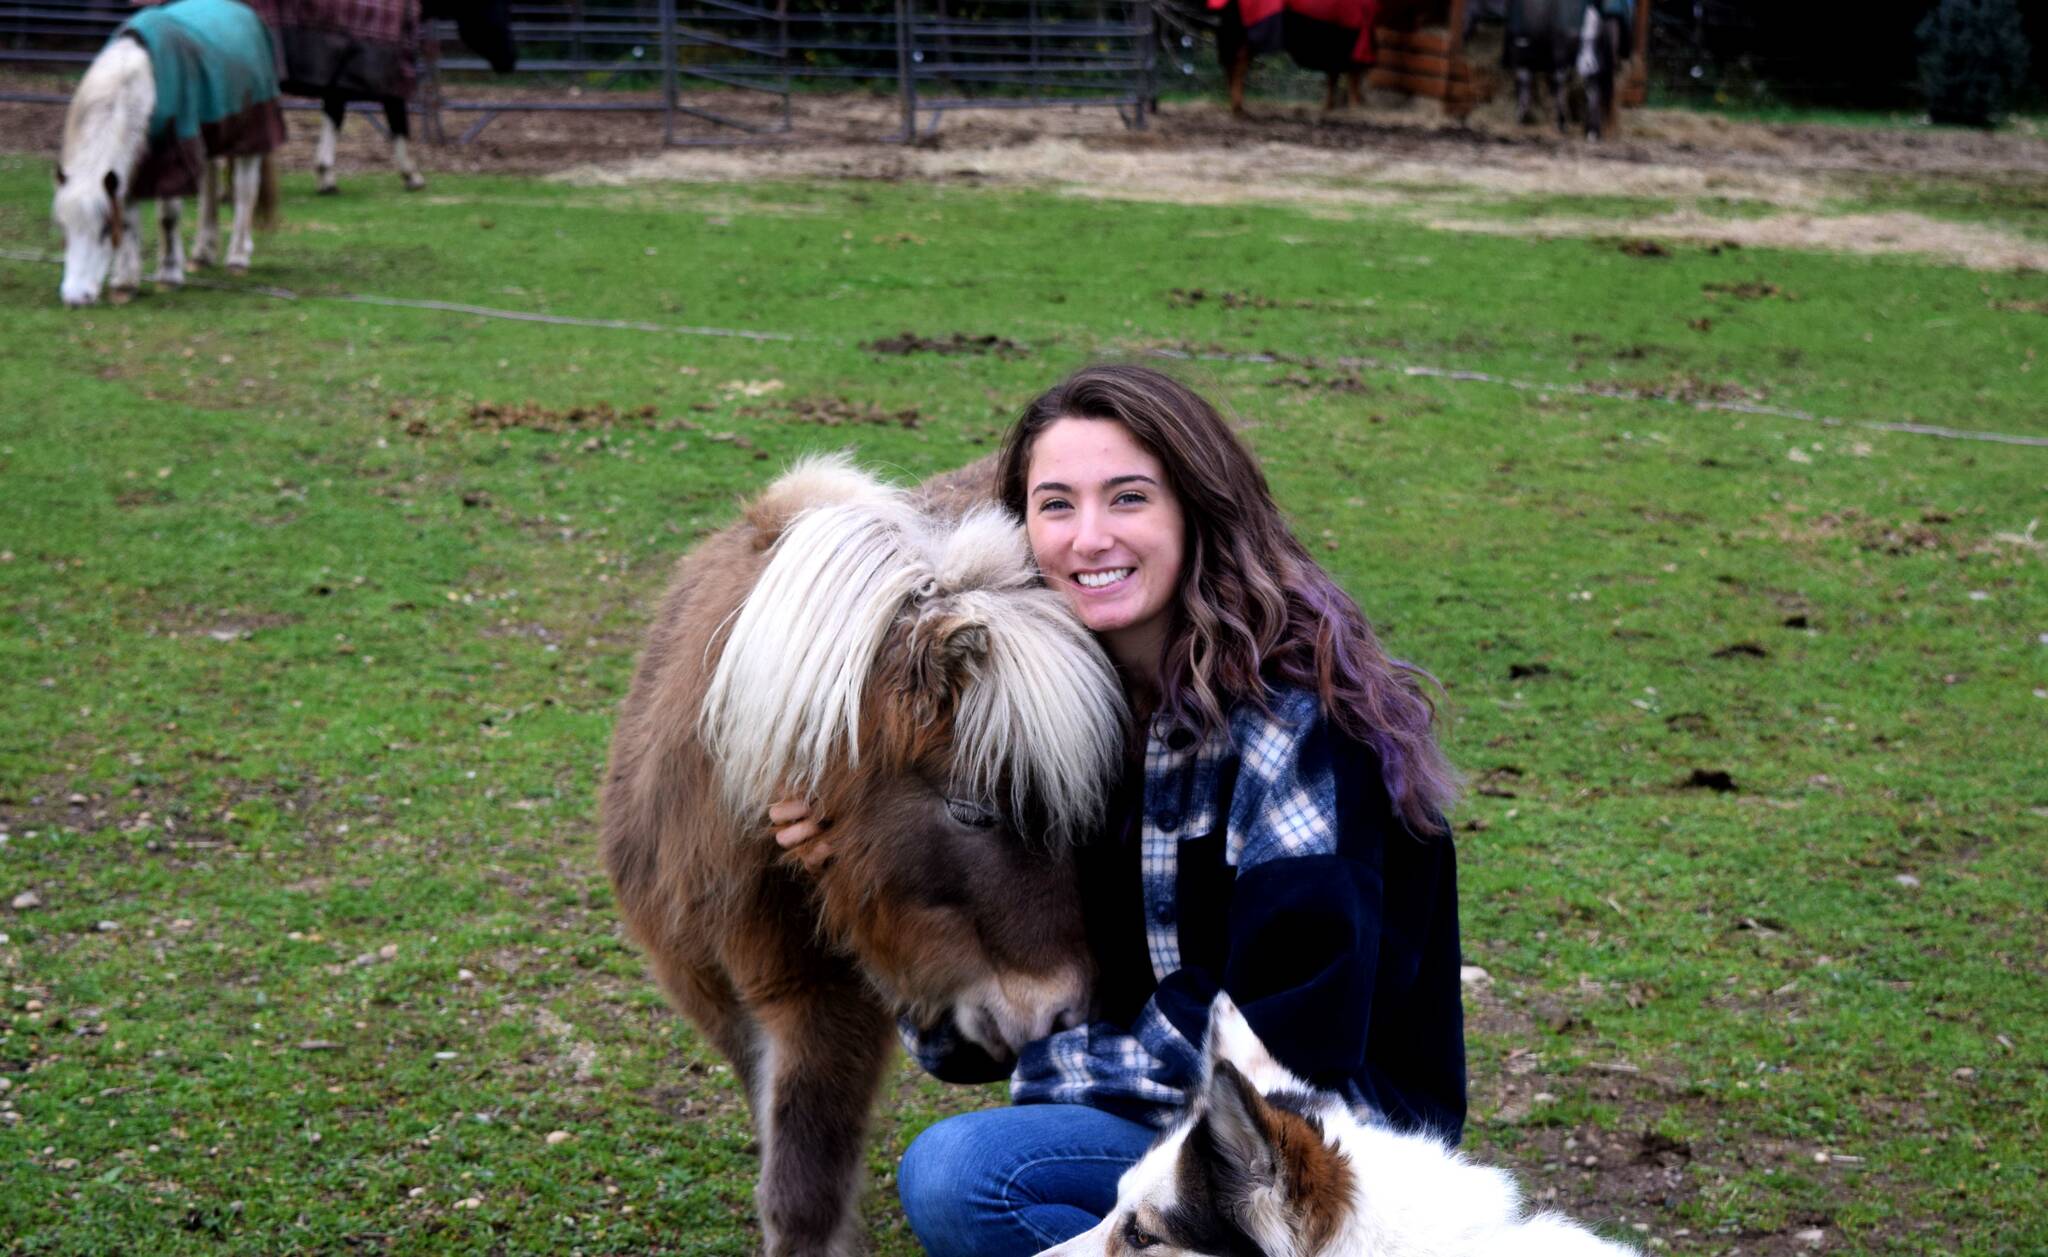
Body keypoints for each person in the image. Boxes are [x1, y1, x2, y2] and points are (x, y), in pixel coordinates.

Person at [773, 365, 1466, 1257]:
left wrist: (1047, 1067)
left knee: (968, 1174)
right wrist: (863, 866)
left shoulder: (1299, 719)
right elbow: (971, 1038)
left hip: (1306, 1147)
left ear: (1198, 507)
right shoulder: (1059, 703)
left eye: (1128, 497)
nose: (1089, 537)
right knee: (960, 1174)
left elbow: (1293, 1031)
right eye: (1055, 505)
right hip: (1158, 1112)